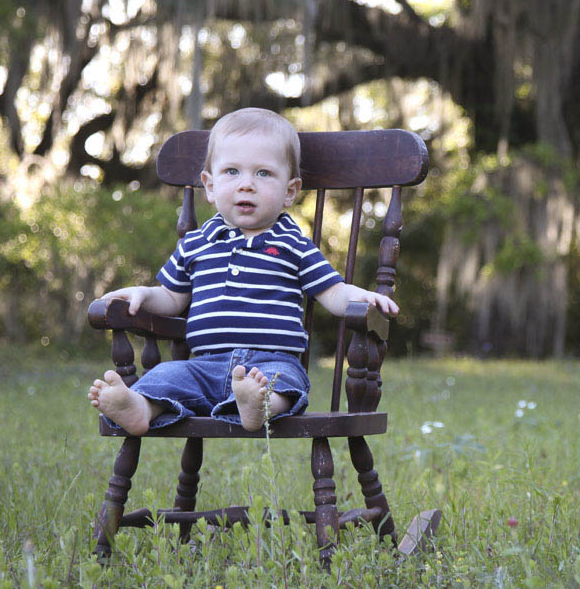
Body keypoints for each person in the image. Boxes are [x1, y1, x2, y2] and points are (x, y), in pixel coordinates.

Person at [87, 108, 398, 435]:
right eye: (232, 171)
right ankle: (139, 408)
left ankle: (259, 405)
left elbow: (332, 292)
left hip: (273, 362)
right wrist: (143, 294)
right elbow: (171, 298)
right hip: (203, 365)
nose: (246, 185)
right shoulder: (196, 244)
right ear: (210, 186)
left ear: (289, 191)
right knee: (166, 376)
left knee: (286, 384)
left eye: (263, 173)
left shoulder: (293, 244)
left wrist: (360, 296)